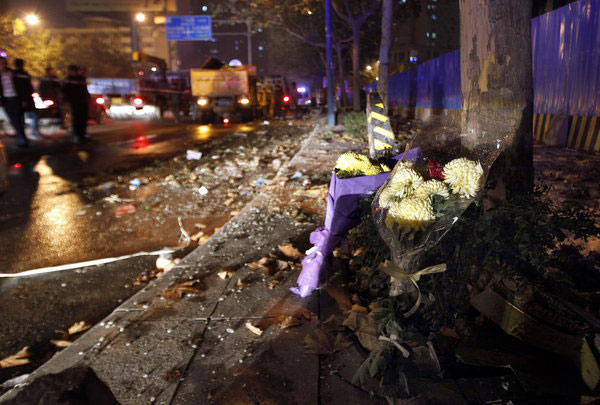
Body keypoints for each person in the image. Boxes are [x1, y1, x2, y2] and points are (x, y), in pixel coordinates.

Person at [0, 57, 28, 147]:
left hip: (16, 99)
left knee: (18, 119)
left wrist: (23, 99)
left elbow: (22, 86)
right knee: (13, 120)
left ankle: (21, 139)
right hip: (6, 101)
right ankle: (22, 138)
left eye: (3, 63)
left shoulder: (13, 73)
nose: (2, 65)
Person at [13, 59, 42, 141]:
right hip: (23, 98)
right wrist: (24, 99)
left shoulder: (19, 74)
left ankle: (27, 135)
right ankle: (28, 134)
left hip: (24, 98)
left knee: (25, 117)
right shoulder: (19, 74)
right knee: (27, 116)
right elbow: (25, 87)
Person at [63, 64, 89, 143]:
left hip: (82, 101)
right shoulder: (68, 80)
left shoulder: (80, 79)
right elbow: (65, 91)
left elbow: (84, 90)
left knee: (83, 119)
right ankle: (77, 135)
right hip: (75, 102)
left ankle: (82, 134)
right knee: (77, 119)